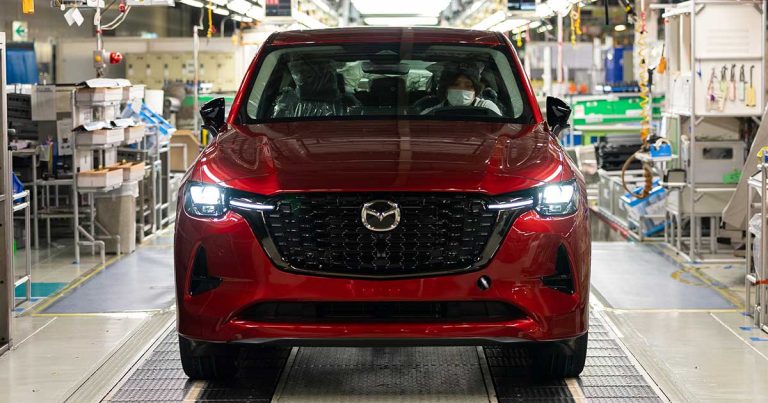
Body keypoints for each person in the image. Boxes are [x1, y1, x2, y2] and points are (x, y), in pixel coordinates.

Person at [420, 63, 502, 116]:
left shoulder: (487, 108)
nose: (461, 89)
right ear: (445, 88)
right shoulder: (433, 113)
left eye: (468, 85)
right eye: (455, 84)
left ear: (475, 90)